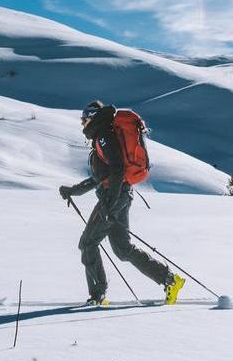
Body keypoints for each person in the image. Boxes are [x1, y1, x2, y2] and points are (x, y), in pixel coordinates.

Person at [59, 101, 184, 306]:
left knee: (88, 244)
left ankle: (98, 297)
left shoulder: (104, 136)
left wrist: (109, 204)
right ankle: (170, 280)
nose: (82, 124)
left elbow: (117, 170)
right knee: (123, 249)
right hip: (121, 194)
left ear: (92, 117)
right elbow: (103, 176)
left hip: (114, 196)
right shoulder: (102, 136)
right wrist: (74, 190)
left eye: (84, 119)